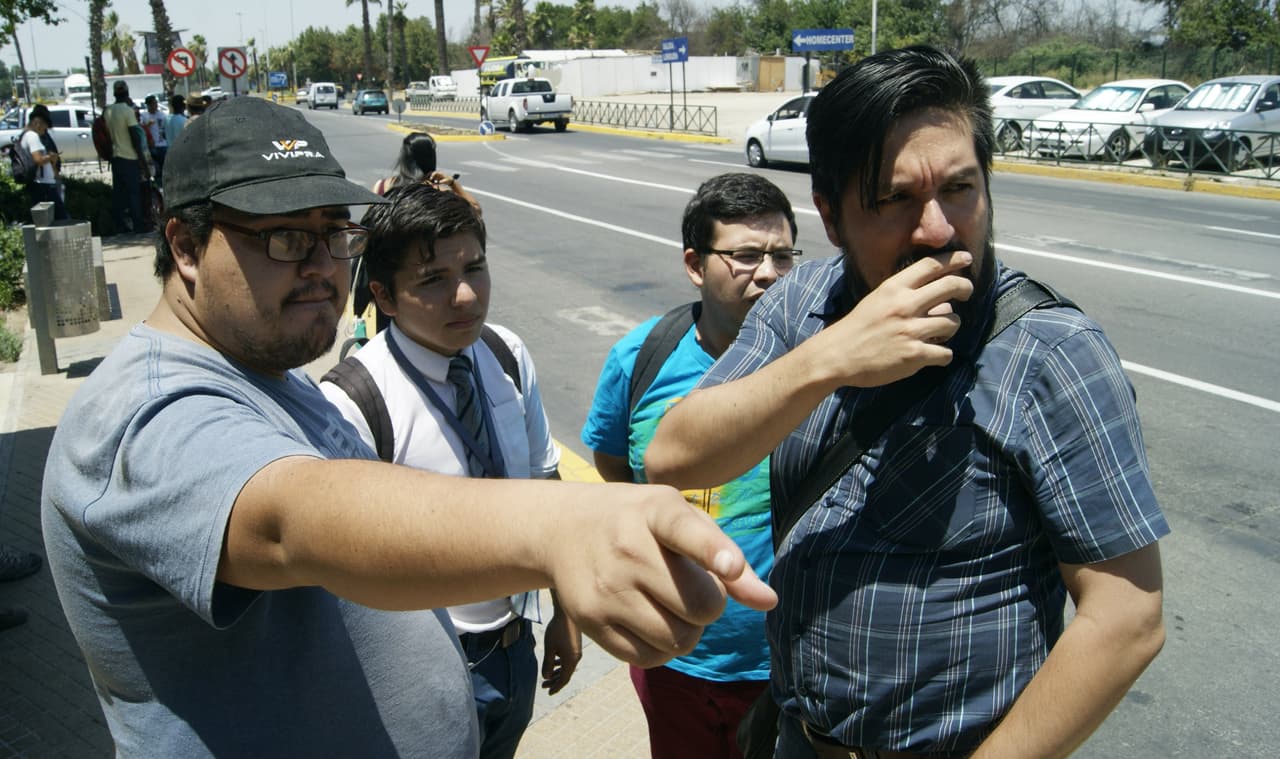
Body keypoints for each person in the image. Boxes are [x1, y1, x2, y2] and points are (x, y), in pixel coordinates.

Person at [40, 96, 774, 759]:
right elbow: (294, 517)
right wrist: (564, 529)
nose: (326, 267)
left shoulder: (268, 373)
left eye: (334, 235)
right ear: (187, 248)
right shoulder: (143, 412)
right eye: (288, 240)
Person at [646, 45, 1168, 759]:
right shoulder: (804, 302)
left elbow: (1127, 614)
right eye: (895, 199)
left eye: (960, 188)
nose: (939, 229)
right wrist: (830, 359)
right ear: (831, 217)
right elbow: (675, 455)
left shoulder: (1051, 351)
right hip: (801, 736)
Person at [320, 184, 579, 759]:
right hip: (423, 667)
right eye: (433, 279)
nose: (465, 296)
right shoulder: (356, 402)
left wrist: (566, 612)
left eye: (476, 268)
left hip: (515, 644)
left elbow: (545, 486)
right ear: (385, 297)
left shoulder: (505, 354)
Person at [581, 172, 798, 759]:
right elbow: (613, 469)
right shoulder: (641, 359)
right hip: (674, 652)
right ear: (695, 265)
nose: (770, 273)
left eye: (782, 255)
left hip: (787, 660)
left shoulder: (813, 365)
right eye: (746, 255)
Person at [373, 130, 481, 215]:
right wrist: (453, 183)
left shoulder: (381, 187)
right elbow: (476, 210)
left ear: (403, 158)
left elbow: (370, 222)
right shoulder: (438, 191)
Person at [104, 80, 148, 232]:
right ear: (127, 92)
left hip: (115, 157)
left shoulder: (108, 111)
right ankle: (138, 224)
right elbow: (134, 137)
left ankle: (119, 224)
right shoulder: (127, 111)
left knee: (119, 193)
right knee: (134, 193)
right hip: (129, 157)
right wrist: (143, 162)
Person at [19, 104, 68, 220]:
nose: (45, 131)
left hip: (41, 183)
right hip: (43, 185)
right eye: (44, 127)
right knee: (60, 218)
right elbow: (38, 159)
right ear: (37, 123)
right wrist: (51, 157)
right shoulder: (32, 136)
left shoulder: (25, 135)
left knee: (48, 219)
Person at [139, 94, 168, 188]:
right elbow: (141, 129)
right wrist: (147, 125)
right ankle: (159, 186)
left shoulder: (162, 115)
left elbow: (165, 128)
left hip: (162, 144)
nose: (155, 106)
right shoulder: (144, 115)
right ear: (148, 105)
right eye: (153, 104)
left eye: (156, 103)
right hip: (152, 145)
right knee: (156, 169)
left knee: (164, 167)